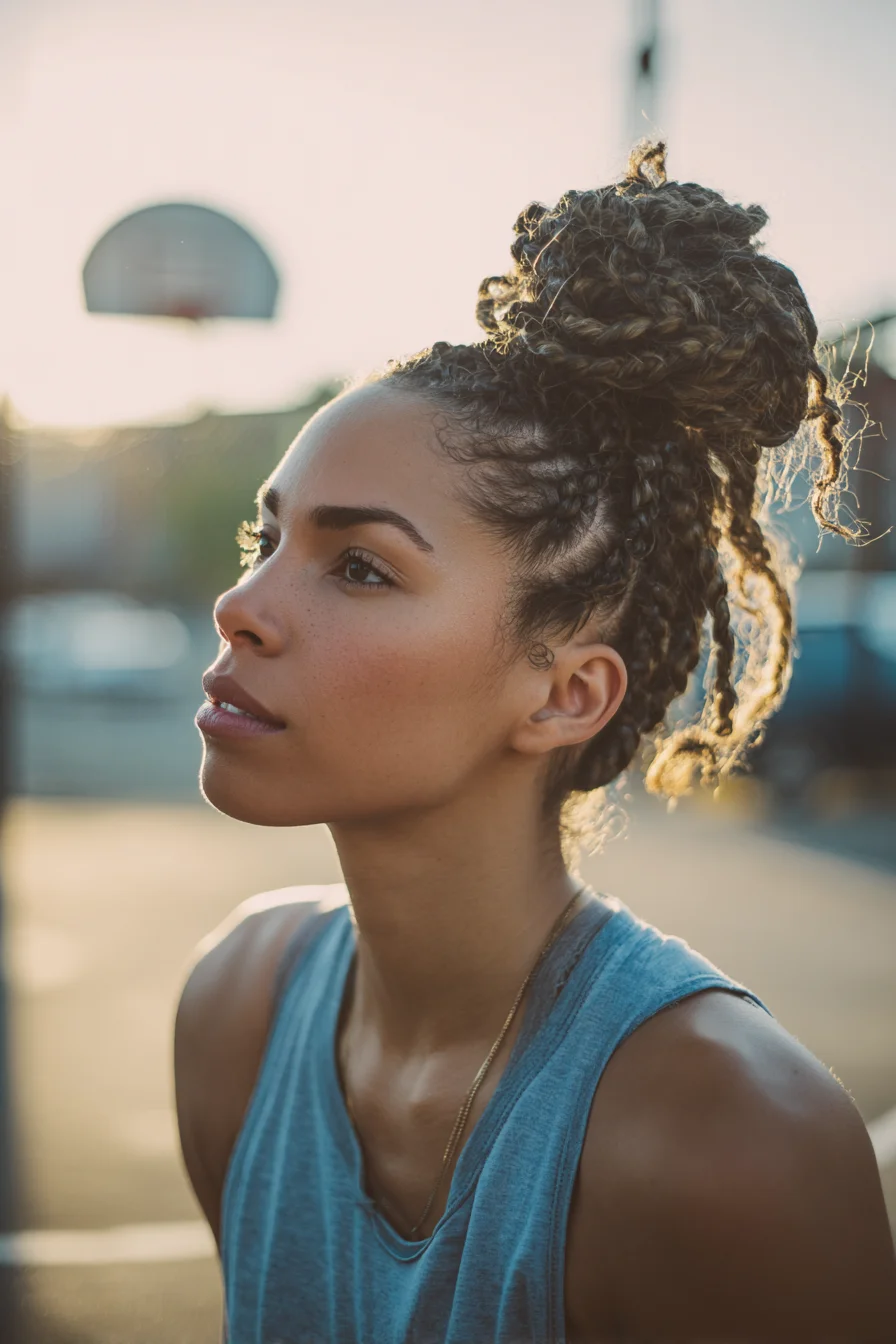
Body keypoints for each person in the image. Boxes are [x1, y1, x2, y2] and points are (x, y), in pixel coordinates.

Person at [175, 142, 896, 1342]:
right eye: (268, 543)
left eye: (359, 566)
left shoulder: (731, 1141)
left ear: (566, 696)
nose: (241, 606)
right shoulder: (237, 1008)